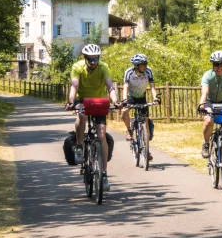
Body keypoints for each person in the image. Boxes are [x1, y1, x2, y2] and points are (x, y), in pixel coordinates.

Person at [66, 43, 119, 191]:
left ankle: (104, 174)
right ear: (85, 59)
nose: (94, 62)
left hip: (99, 101)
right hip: (82, 99)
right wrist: (71, 102)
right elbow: (74, 86)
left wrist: (116, 101)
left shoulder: (103, 67)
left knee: (101, 134)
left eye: (96, 59)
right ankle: (78, 145)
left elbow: (110, 86)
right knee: (81, 117)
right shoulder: (77, 67)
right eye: (91, 59)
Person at [121, 53, 160, 160]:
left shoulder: (148, 71)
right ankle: (129, 129)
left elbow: (152, 86)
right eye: (143, 64)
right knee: (124, 111)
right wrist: (124, 100)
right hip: (131, 97)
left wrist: (155, 98)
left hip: (142, 97)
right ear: (137, 65)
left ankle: (147, 151)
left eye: (146, 63)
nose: (145, 66)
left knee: (146, 122)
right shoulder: (129, 72)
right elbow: (125, 86)